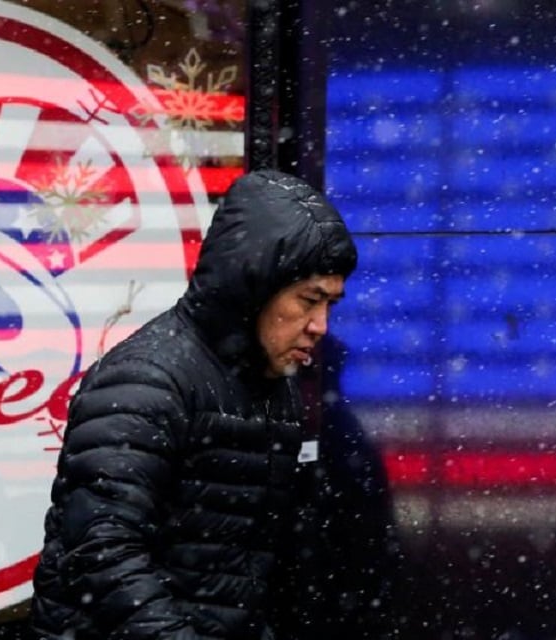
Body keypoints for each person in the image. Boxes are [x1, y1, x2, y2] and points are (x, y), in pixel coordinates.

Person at [30, 169, 358, 640]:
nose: (320, 325)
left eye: (330, 304)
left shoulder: (270, 384)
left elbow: (247, 566)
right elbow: (104, 554)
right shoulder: (145, 381)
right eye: (309, 300)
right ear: (255, 286)